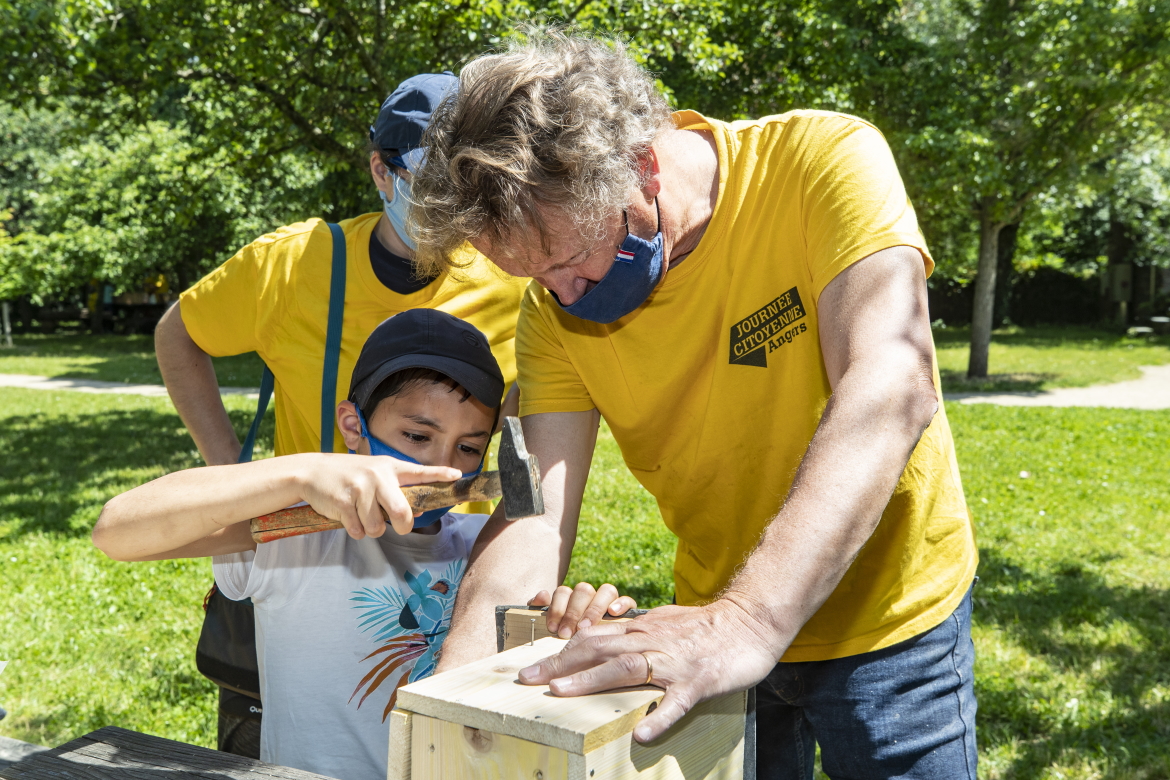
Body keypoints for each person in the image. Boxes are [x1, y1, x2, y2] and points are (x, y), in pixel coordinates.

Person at [409, 30, 978, 779]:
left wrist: (747, 621)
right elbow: (535, 511)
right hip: (707, 627)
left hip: (889, 623)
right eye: (536, 277)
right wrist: (452, 687)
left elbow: (893, 384)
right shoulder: (553, 313)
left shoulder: (822, 162)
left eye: (572, 257)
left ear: (642, 163)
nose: (563, 295)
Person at [154, 72, 529, 754]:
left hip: (454, 576)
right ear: (382, 173)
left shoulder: (514, 274)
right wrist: (231, 476)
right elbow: (178, 334)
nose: (453, 208)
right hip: (305, 577)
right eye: (436, 183)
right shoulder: (293, 265)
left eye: (469, 187)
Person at [94, 310, 636, 780]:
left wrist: (576, 619)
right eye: (417, 436)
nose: (441, 465)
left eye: (470, 447)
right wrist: (303, 474)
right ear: (352, 425)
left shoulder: (490, 549)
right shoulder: (295, 540)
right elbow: (117, 531)